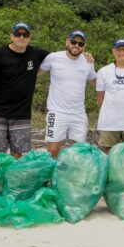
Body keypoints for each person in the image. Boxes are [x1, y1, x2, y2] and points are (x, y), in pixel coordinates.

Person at [0, 22, 50, 158]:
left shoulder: (36, 53)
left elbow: (63, 58)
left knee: (18, 153)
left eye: (25, 35)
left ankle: (13, 179)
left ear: (29, 37)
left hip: (21, 114)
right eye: (18, 34)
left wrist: (84, 55)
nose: (21, 37)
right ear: (11, 36)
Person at [39, 30, 97, 158]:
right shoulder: (53, 57)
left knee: (78, 152)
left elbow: (95, 80)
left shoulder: (88, 61)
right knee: (53, 150)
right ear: (67, 41)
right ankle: (51, 177)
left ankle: (71, 177)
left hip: (79, 114)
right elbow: (36, 72)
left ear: (84, 46)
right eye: (73, 42)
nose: (76, 45)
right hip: (57, 112)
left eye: (80, 43)